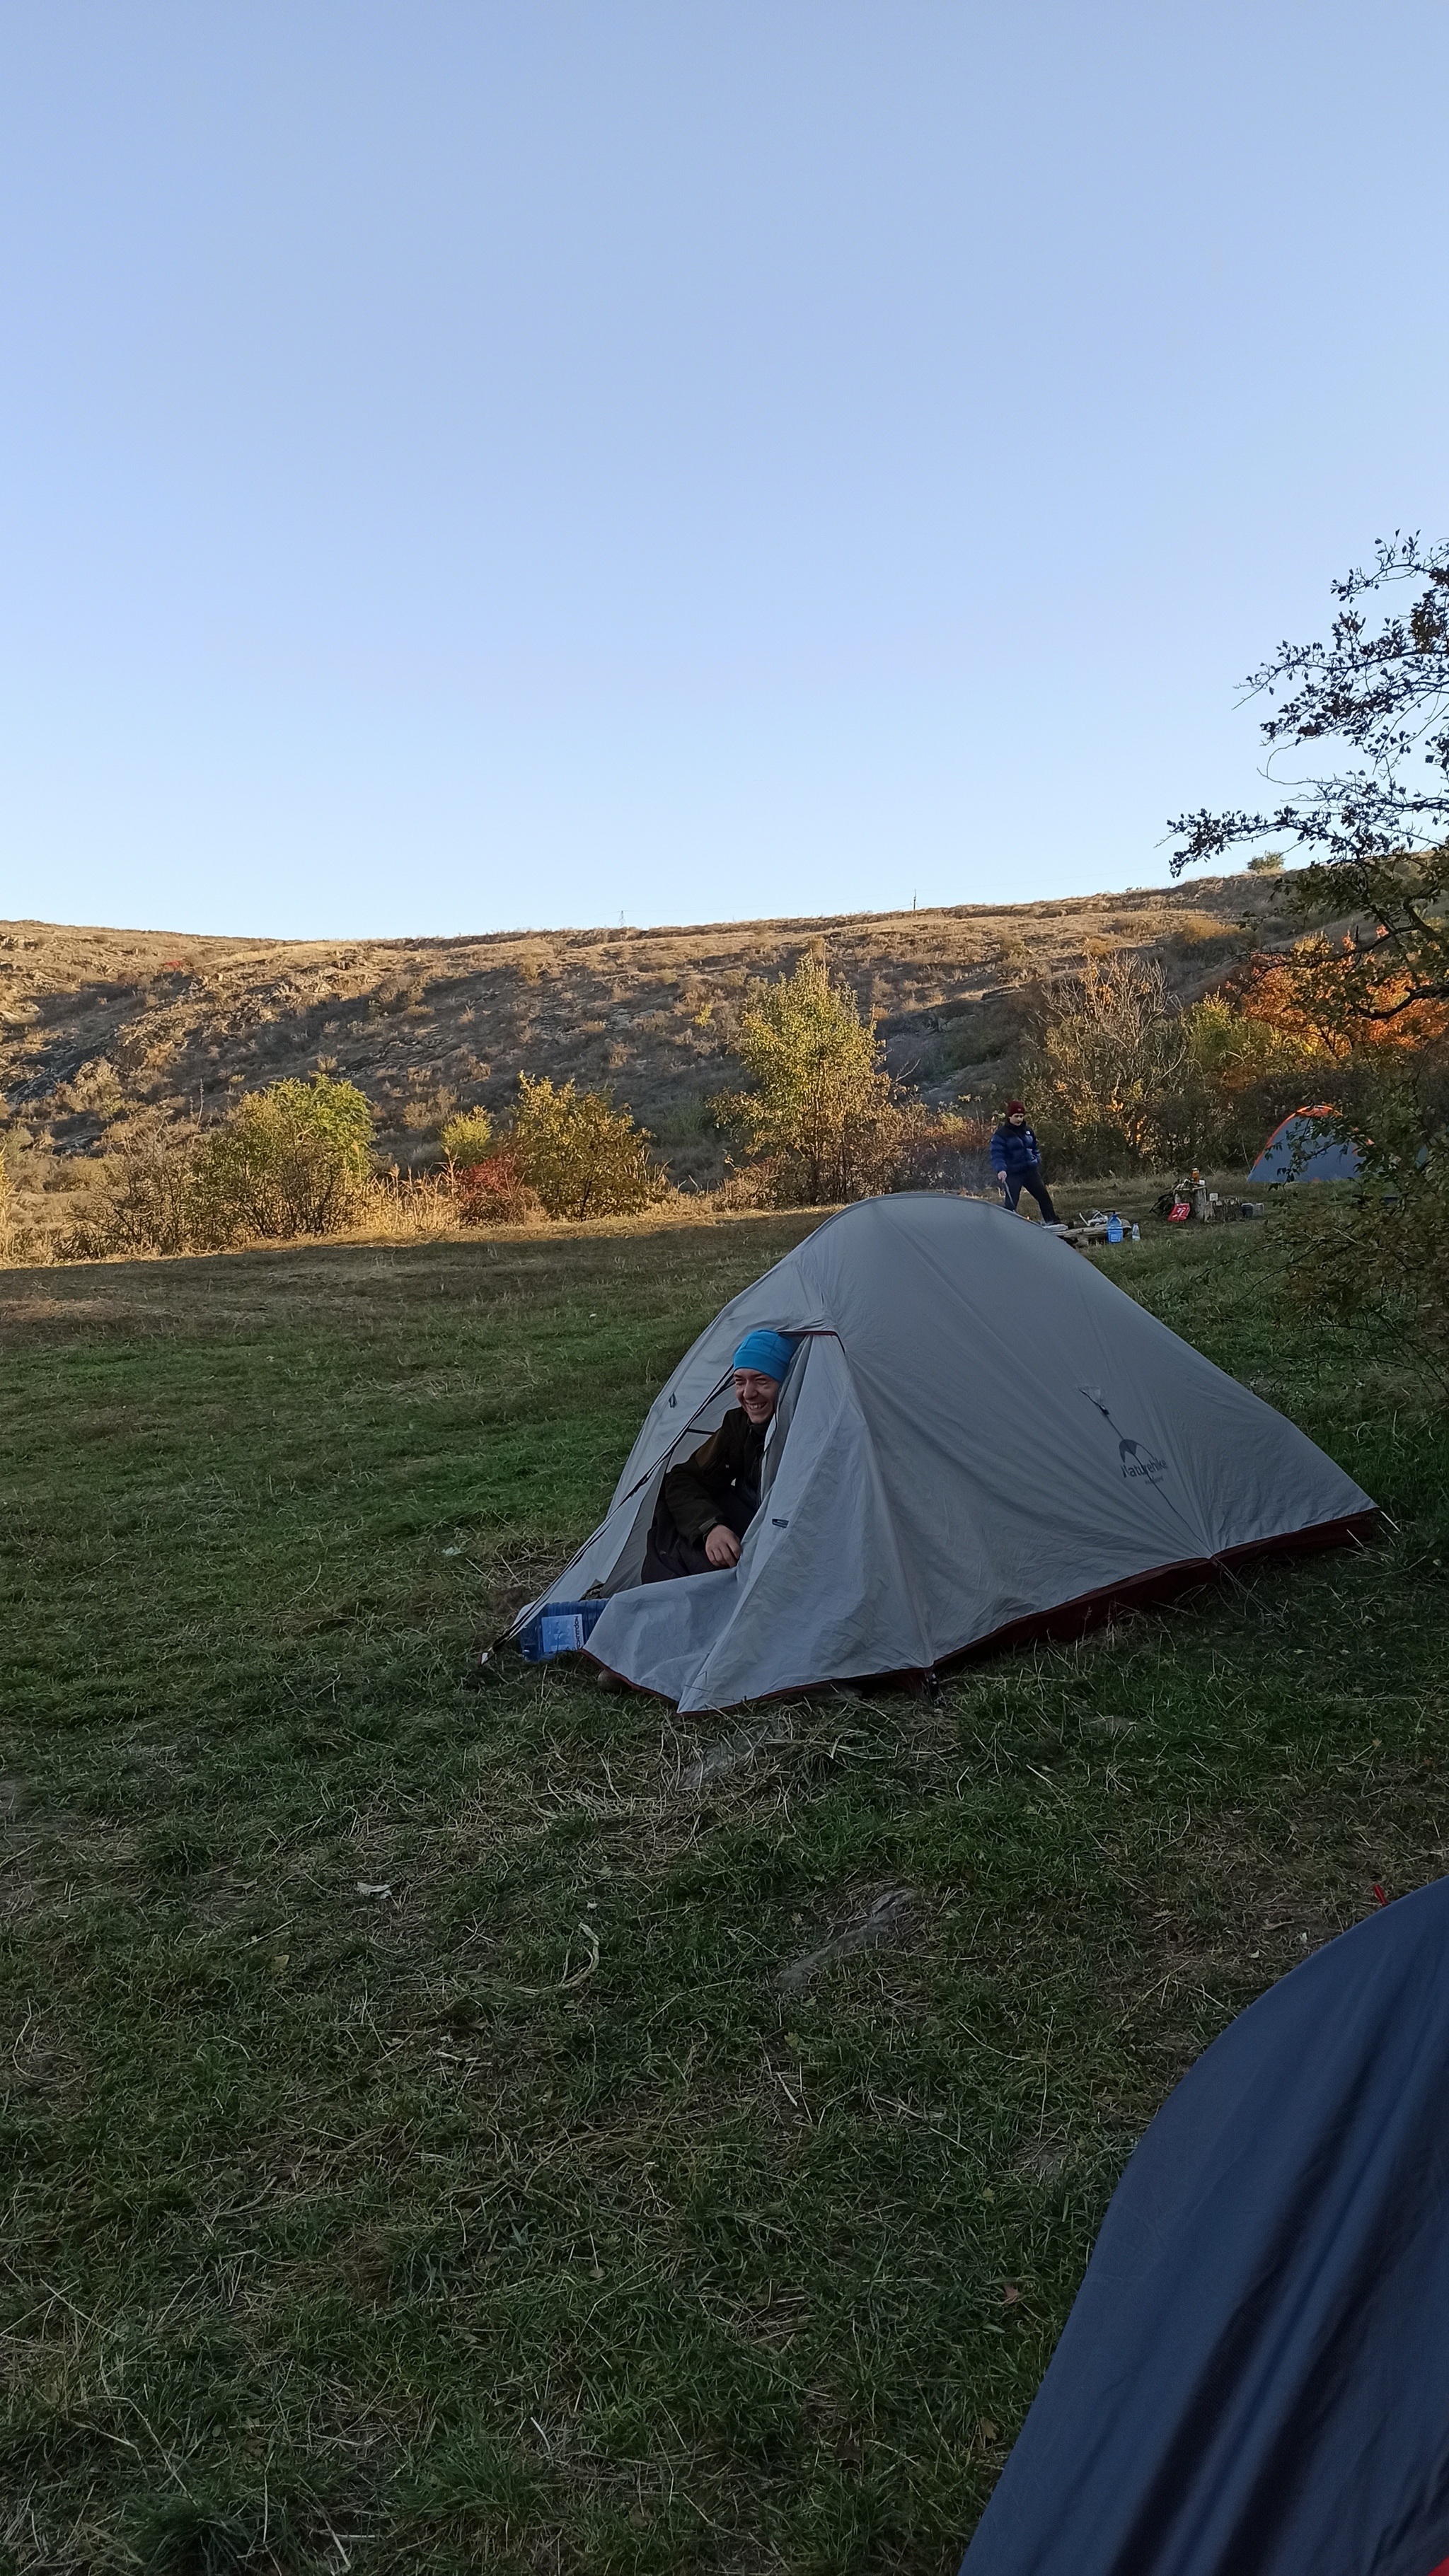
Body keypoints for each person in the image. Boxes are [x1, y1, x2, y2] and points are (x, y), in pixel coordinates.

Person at [641, 1328, 798, 1582]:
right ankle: (669, 1601)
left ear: (787, 1383)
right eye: (739, 1381)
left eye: (761, 1380)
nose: (748, 1394)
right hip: (753, 1520)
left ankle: (706, 1598)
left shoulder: (810, 1431)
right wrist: (710, 1528)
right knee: (672, 1512)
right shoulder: (740, 1425)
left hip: (789, 1540)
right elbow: (683, 1479)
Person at [990, 1099, 1059, 1223]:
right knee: (1011, 1203)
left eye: (1021, 1116)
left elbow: (1034, 1148)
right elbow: (997, 1155)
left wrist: (1036, 1160)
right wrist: (1001, 1169)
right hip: (1013, 1173)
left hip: (1030, 1171)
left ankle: (1053, 1222)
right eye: (1016, 1116)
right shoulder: (1001, 1134)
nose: (1019, 1119)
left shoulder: (1028, 1131)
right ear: (1009, 1117)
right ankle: (1006, 1225)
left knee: (1044, 1197)